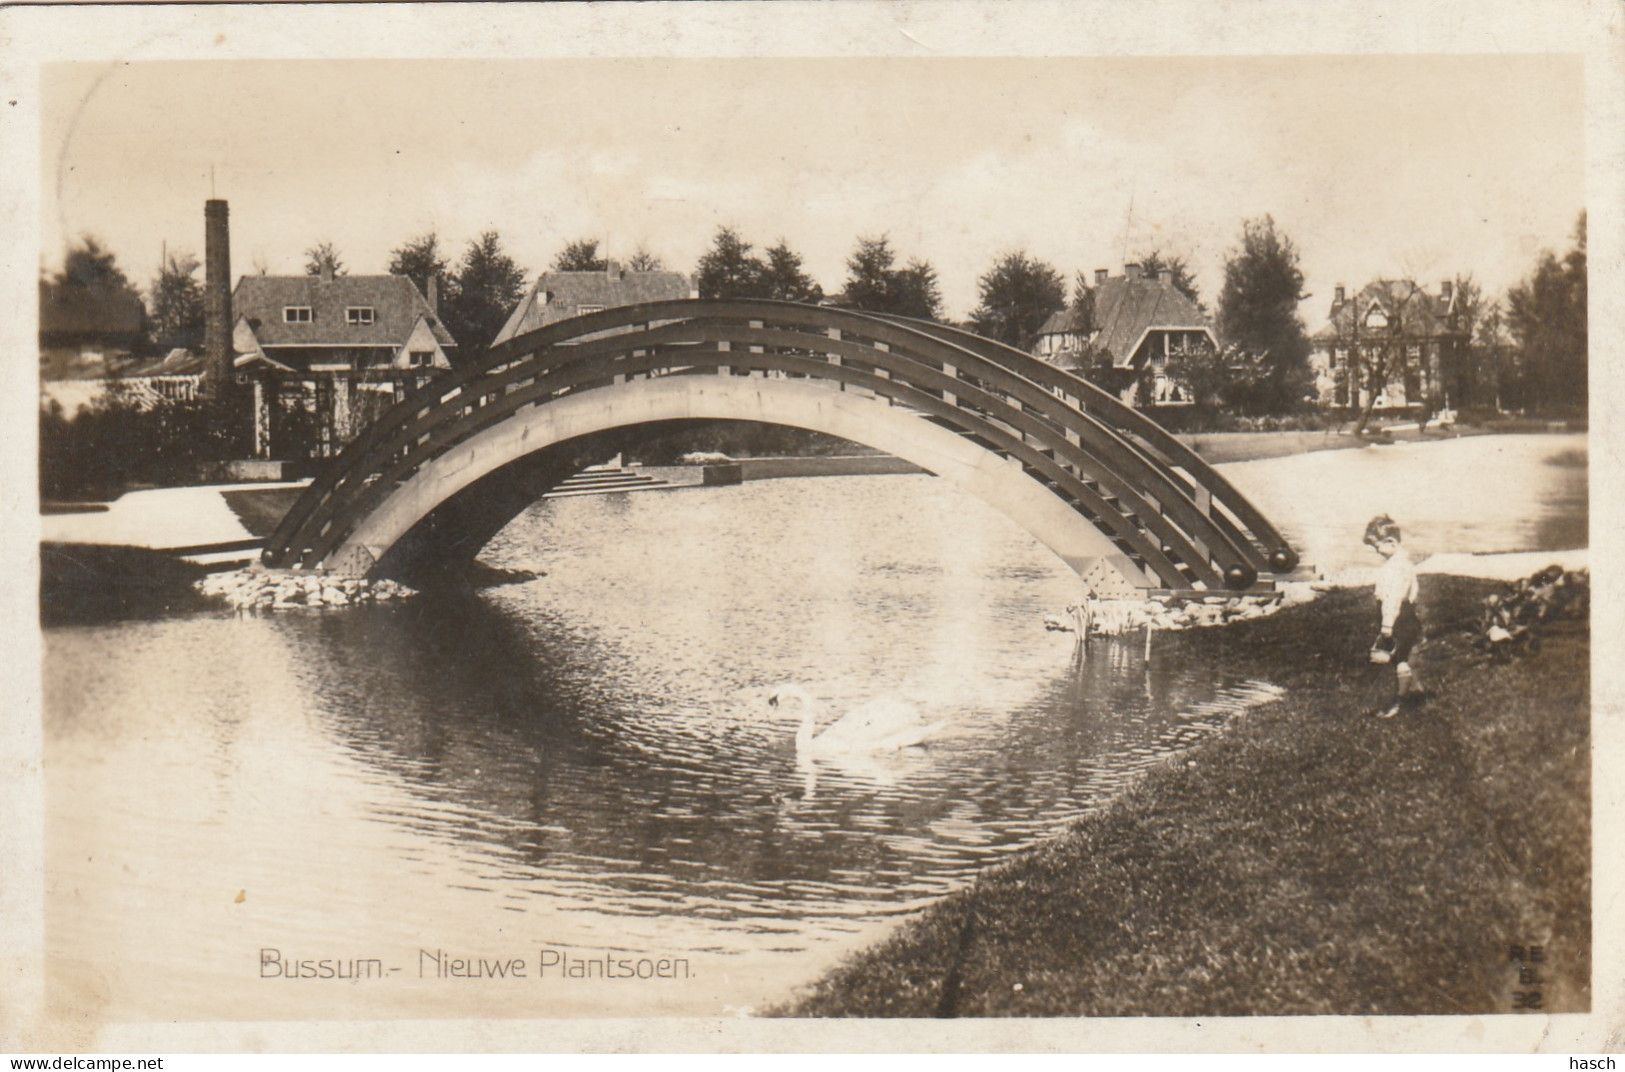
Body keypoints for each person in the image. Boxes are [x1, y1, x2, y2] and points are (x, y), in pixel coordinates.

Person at [1364, 514, 1424, 718]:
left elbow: (1394, 598)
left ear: (1390, 542)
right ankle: (1414, 692)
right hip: (1407, 615)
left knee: (1398, 658)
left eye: (1377, 546)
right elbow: (1413, 590)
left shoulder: (1394, 568)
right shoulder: (1406, 564)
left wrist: (1387, 625)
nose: (1376, 552)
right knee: (1406, 655)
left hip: (1397, 618)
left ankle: (1398, 700)